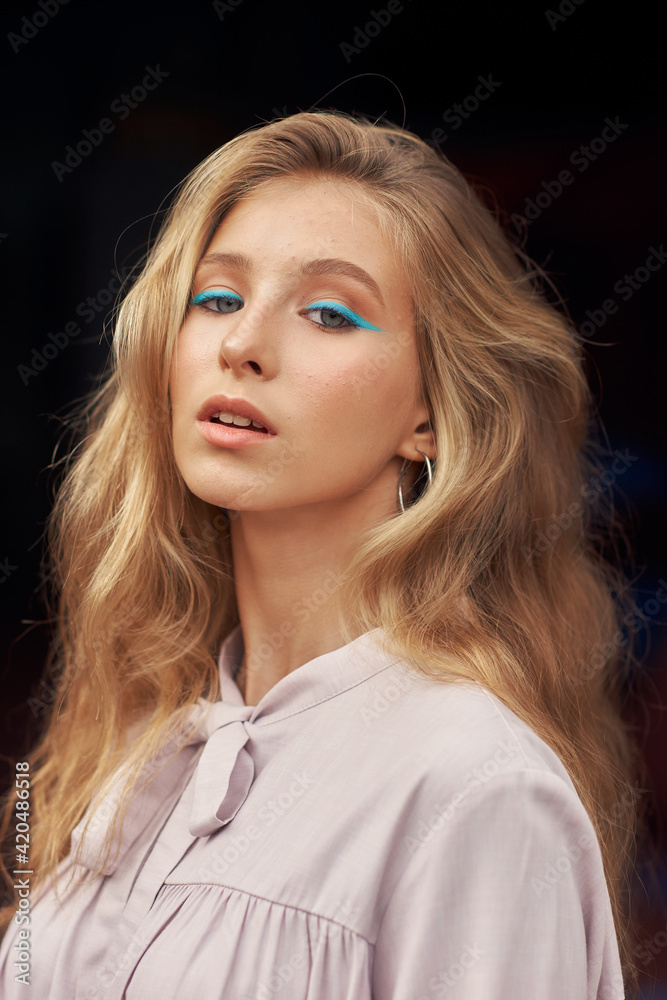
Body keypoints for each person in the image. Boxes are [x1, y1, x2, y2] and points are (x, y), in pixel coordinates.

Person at [0, 109, 645, 999]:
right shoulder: (144, 748)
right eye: (216, 298)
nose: (241, 345)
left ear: (430, 415)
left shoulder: (474, 790)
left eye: (328, 314)